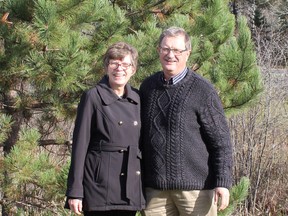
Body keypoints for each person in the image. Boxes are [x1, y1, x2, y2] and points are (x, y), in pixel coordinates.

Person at [140, 26, 233, 216]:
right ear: (158, 51)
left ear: (187, 53)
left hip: (196, 191)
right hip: (155, 191)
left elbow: (221, 142)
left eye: (177, 50)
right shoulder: (147, 87)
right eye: (165, 49)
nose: (170, 55)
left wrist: (223, 182)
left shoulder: (202, 90)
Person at [65, 42, 145, 216]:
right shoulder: (93, 96)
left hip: (129, 188)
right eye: (114, 63)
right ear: (106, 67)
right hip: (99, 187)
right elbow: (80, 146)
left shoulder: (138, 99)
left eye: (125, 64)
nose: (119, 69)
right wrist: (75, 191)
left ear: (133, 69)